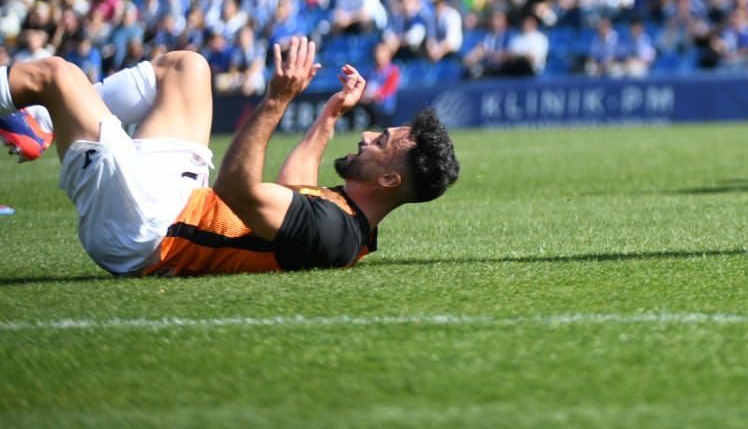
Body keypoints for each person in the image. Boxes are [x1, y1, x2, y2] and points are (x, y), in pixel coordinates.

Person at [0, 37, 459, 276]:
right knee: (187, 68)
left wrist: (276, 101)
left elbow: (236, 190)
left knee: (57, 75)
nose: (369, 137)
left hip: (150, 234)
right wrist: (330, 114)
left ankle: (45, 115)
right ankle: (42, 122)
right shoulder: (348, 219)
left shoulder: (334, 231)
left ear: (390, 181)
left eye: (381, 143)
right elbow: (295, 187)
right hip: (177, 203)